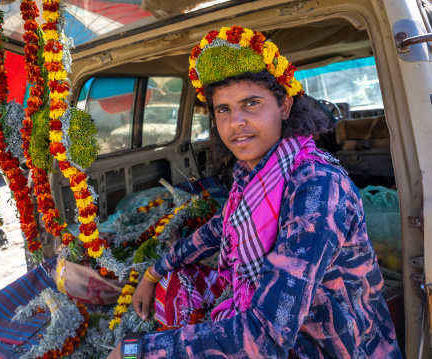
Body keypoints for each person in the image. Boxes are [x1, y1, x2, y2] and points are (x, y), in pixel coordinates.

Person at [107, 25, 402, 358]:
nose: (236, 122)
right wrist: (154, 271)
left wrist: (134, 351)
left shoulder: (318, 188)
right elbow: (220, 229)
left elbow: (265, 335)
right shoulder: (257, 174)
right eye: (223, 109)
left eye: (251, 103)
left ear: (285, 106)